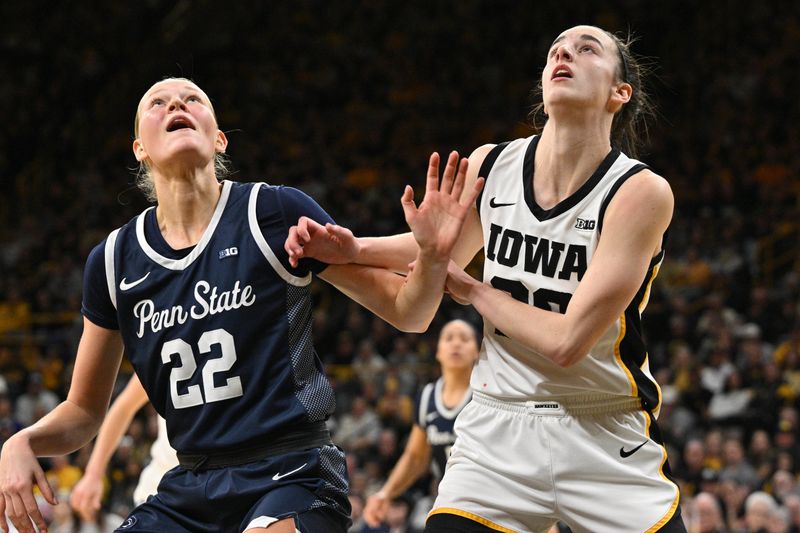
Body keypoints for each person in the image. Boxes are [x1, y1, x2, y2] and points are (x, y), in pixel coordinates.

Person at [0, 77, 482, 533]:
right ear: (139, 149)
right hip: (191, 483)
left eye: (193, 99)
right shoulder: (111, 261)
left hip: (292, 468)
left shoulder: (272, 212)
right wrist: (23, 441)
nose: (176, 105)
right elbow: (84, 411)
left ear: (220, 140)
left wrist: (433, 257)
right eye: (158, 102)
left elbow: (409, 312)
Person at [286, 25, 684, 532]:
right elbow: (437, 253)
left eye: (587, 49)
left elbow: (566, 342)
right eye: (555, 50)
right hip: (498, 425)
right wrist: (354, 247)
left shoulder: (640, 192)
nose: (565, 53)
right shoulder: (492, 164)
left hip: (604, 428)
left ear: (618, 93)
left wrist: (473, 289)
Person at [362, 319, 478, 528]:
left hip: (489, 501)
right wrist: (385, 493)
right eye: (449, 338)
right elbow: (415, 457)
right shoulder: (427, 397)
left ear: (477, 351)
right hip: (449, 503)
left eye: (464, 339)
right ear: (438, 351)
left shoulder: (486, 394)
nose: (456, 344)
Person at [70, 373, 177, 522]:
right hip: (161, 489)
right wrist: (93, 474)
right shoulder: (163, 351)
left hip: (213, 490)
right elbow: (124, 408)